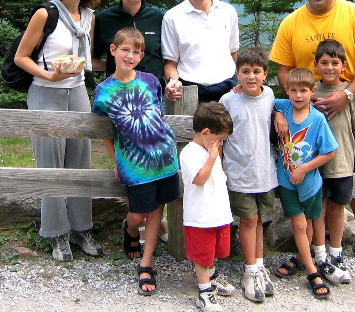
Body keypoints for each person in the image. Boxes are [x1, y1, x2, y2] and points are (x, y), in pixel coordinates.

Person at [269, 0, 355, 263]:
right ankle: (312, 248)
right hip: (308, 115)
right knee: (316, 185)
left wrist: (347, 95)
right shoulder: (291, 23)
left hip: (351, 110)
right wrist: (301, 102)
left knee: (351, 176)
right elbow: (283, 69)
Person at [14, 0, 104, 262]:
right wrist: (49, 74)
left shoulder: (89, 16)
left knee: (80, 162)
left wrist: (131, 60)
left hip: (77, 91)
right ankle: (56, 233)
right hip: (45, 93)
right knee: (50, 163)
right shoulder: (45, 13)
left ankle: (81, 228)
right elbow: (21, 58)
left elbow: (88, 61)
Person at [92, 27, 179, 296]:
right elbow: (105, 132)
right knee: (138, 213)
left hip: (164, 158)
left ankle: (146, 262)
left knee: (156, 212)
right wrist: (115, 160)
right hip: (134, 163)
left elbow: (158, 115)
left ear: (141, 55)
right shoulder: (103, 92)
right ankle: (130, 230)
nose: (130, 55)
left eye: (136, 51)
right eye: (125, 49)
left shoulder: (151, 81)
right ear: (113, 50)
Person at [92, 0, 167, 252]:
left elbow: (167, 54)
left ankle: (154, 221)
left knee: (155, 159)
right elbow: (94, 58)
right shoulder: (105, 18)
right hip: (121, 99)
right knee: (130, 160)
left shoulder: (158, 17)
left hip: (153, 97)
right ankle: (137, 220)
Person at [219, 47, 278, 303]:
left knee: (261, 218)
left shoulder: (271, 96)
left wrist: (281, 115)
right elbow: (220, 137)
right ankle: (249, 270)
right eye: (245, 72)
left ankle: (260, 265)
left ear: (265, 73)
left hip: (264, 172)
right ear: (237, 74)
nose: (251, 76)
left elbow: (285, 105)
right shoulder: (228, 100)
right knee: (248, 220)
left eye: (256, 71)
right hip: (239, 172)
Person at [273, 68, 338, 299]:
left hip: (309, 180)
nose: (298, 95)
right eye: (293, 90)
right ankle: (312, 271)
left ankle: (301, 258)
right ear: (287, 91)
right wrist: (277, 114)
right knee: (299, 225)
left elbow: (329, 151)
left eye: (303, 91)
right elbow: (263, 98)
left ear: (313, 91)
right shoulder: (284, 106)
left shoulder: (317, 119)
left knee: (310, 222)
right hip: (287, 181)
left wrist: (304, 168)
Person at [311, 39, 355, 284]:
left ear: (344, 66)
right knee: (318, 209)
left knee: (337, 209)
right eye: (324, 63)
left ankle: (336, 252)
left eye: (335, 63)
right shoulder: (310, 90)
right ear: (316, 65)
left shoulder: (350, 95)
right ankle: (319, 252)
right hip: (316, 165)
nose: (330, 67)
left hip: (343, 163)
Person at [180, 102, 236, 312]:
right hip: (200, 217)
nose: (221, 144)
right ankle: (204, 292)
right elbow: (200, 179)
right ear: (205, 133)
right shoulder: (190, 152)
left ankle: (212, 279)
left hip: (217, 213)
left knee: (213, 251)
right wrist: (213, 157)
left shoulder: (209, 148)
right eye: (220, 139)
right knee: (202, 256)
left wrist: (214, 155)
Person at [162, 0, 239, 104]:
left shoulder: (228, 12)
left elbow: (233, 53)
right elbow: (170, 62)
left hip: (228, 88)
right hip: (190, 90)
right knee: (190, 128)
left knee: (231, 128)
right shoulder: (172, 17)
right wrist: (173, 81)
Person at [93, 0, 164, 82]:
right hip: (117, 92)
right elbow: (93, 60)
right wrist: (118, 65)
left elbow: (168, 58)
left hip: (152, 94)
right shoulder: (103, 19)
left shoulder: (158, 17)